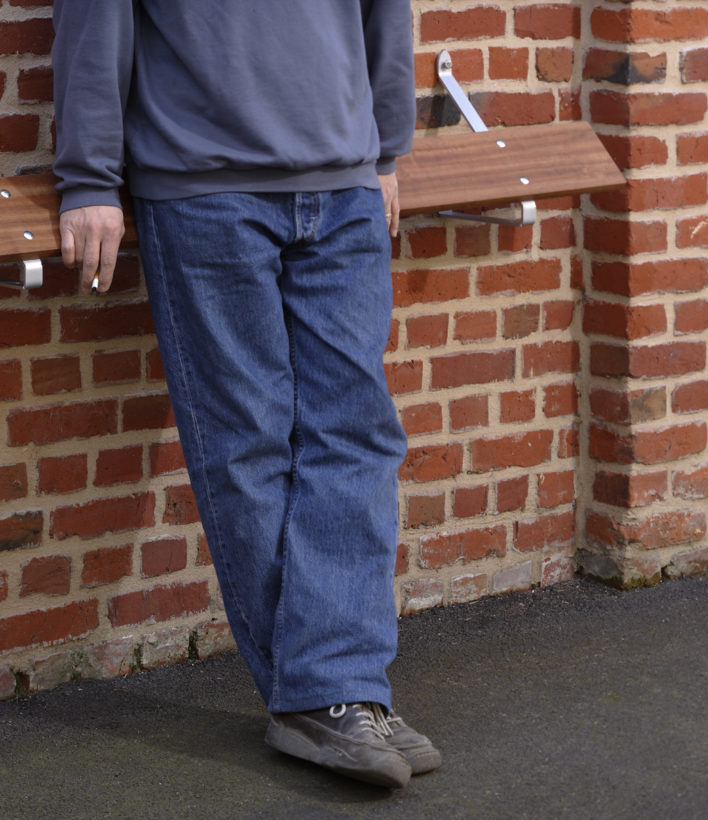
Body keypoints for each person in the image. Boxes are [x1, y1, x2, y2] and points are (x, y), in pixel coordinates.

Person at [51, 0, 440, 789]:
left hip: (344, 184)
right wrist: (88, 178)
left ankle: (338, 686)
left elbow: (384, 13)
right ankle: (327, 691)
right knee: (248, 441)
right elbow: (95, 21)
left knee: (358, 435)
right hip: (205, 188)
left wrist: (386, 150)